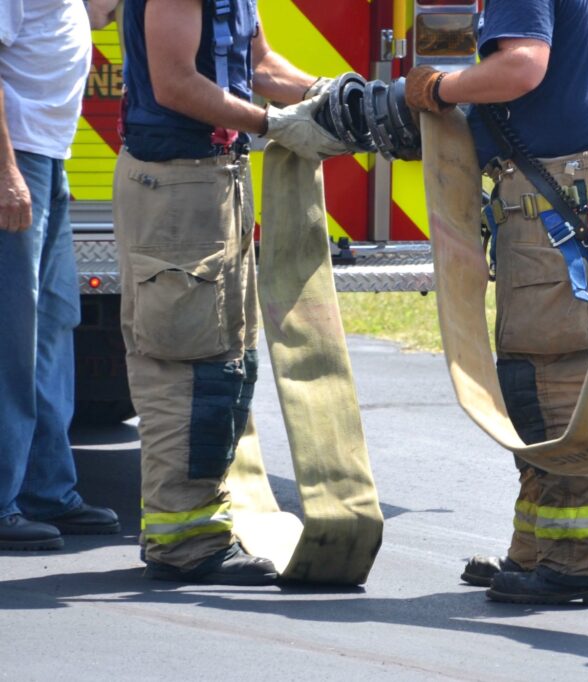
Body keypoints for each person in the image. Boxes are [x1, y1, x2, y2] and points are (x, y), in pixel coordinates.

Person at [115, 0, 352, 584]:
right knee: (186, 367)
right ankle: (184, 545)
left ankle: (197, 533)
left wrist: (331, 96)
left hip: (214, 183)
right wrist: (272, 124)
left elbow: (260, 62)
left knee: (225, 363)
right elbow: (174, 84)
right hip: (176, 187)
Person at [405, 0, 588, 605]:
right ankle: (539, 548)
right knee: (530, 380)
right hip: (555, 202)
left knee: (554, 379)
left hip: (550, 213)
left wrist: (441, 88)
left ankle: (584, 558)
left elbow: (522, 68)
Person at [0, 0, 122, 552]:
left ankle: (48, 491)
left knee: (51, 325)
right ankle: (3, 501)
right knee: (13, 335)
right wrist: (5, 174)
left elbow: (95, 18)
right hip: (17, 160)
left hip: (49, 157)